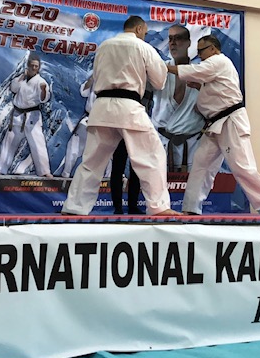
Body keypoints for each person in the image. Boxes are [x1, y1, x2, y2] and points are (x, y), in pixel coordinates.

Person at [61, 16, 179, 216]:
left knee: (91, 163)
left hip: (101, 108)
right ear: (139, 29)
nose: (145, 34)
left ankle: (74, 207)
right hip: (128, 107)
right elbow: (159, 82)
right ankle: (159, 207)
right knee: (152, 156)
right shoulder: (143, 47)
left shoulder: (104, 46)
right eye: (145, 31)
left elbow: (96, 75)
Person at [166, 35, 260, 216]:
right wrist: (201, 88)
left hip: (230, 121)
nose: (200, 55)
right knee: (201, 165)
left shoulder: (219, 61)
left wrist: (166, 67)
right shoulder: (214, 68)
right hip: (215, 124)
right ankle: (191, 208)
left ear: (213, 49)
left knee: (242, 165)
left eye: (202, 51)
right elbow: (215, 91)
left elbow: (194, 71)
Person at [151, 25, 205, 172]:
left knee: (194, 184)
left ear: (188, 43)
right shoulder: (158, 70)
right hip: (161, 142)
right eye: (170, 39)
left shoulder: (201, 72)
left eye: (178, 38)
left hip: (193, 144)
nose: (173, 43)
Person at [0, 54, 52, 177]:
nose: (34, 68)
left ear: (39, 68)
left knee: (38, 144)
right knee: (9, 143)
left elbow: (44, 99)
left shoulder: (41, 82)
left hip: (32, 116)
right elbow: (13, 88)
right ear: (28, 66)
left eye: (36, 66)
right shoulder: (21, 79)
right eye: (32, 66)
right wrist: (22, 76)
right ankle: (1, 170)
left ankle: (44, 172)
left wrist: (43, 90)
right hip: (17, 115)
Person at [109, 140, 141, 214]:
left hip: (136, 137)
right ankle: (117, 206)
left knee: (136, 170)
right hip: (120, 136)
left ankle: (133, 206)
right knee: (117, 169)